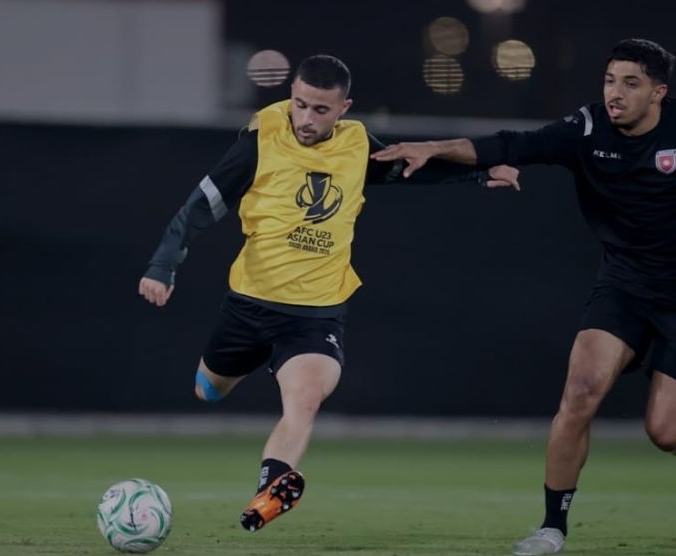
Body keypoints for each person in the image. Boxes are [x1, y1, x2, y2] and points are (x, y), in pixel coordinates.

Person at [138, 54, 518, 532]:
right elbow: (201, 205)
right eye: (300, 105)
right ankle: (245, 377)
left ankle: (267, 494)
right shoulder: (261, 141)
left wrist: (481, 173)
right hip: (248, 306)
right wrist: (163, 265)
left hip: (314, 317)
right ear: (290, 97)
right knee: (207, 390)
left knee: (305, 400)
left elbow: (406, 169)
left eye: (321, 110)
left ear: (344, 108)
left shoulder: (356, 145)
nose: (306, 119)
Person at [372, 38, 676, 555]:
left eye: (631, 83)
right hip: (624, 287)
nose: (615, 93)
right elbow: (510, 145)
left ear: (658, 92)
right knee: (580, 391)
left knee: (668, 434)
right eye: (610, 80)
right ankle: (551, 528)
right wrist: (432, 148)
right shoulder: (587, 129)